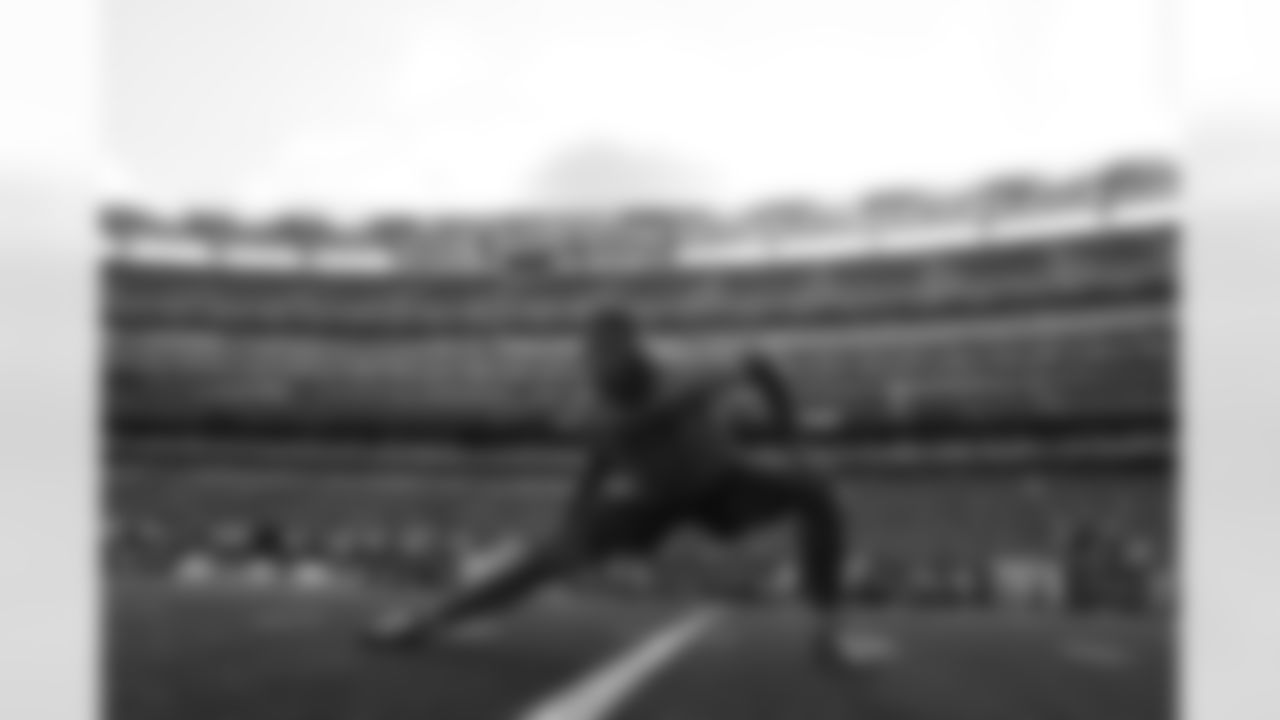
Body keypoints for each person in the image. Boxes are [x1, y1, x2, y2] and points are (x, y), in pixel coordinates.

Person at [365, 306, 866, 665]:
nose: (602, 376)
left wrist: (791, 440)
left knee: (816, 493)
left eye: (613, 365)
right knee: (546, 556)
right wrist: (576, 518)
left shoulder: (689, 376)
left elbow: (760, 366)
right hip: (655, 502)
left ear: (637, 357)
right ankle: (429, 621)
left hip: (724, 482)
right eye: (596, 365)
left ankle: (830, 633)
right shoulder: (597, 415)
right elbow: (598, 464)